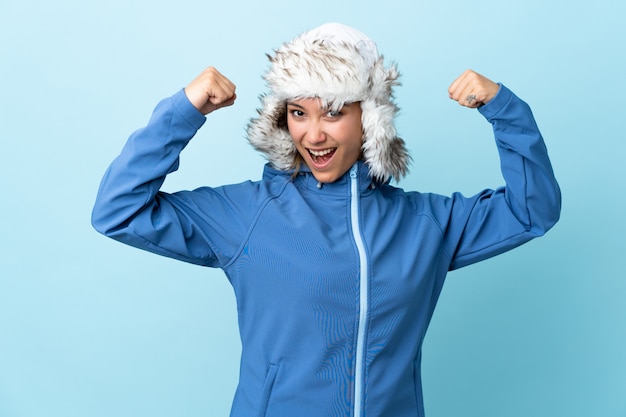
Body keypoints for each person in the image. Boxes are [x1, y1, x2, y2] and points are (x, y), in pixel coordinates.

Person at [92, 22, 561, 417]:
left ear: (369, 118)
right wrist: (184, 110)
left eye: (334, 112)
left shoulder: (424, 224)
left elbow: (532, 209)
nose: (313, 133)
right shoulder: (249, 216)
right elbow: (118, 211)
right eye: (299, 112)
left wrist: (505, 111)